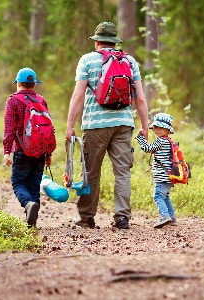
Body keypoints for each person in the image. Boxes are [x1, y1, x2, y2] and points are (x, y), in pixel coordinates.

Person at [66, 21, 149, 229]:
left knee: (91, 171)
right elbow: (140, 98)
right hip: (123, 123)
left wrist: (69, 126)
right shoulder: (129, 61)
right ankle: (122, 218)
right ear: (114, 42)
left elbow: (78, 96)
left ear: (97, 43)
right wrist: (145, 126)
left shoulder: (86, 60)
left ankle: (87, 218)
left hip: (95, 125)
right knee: (122, 171)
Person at [3, 67, 52, 227]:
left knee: (18, 181)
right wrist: (48, 152)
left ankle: (28, 204)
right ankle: (32, 223)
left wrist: (6, 152)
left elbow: (9, 128)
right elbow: (48, 128)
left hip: (21, 150)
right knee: (33, 184)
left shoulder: (13, 100)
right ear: (34, 85)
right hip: (40, 151)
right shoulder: (41, 100)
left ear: (18, 83)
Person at [135, 112, 178, 228]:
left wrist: (140, 138)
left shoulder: (160, 141)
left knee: (158, 196)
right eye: (156, 127)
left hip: (162, 176)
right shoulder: (169, 141)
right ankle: (172, 218)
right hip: (169, 176)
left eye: (161, 128)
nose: (158, 130)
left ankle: (165, 216)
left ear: (168, 130)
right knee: (165, 196)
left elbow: (147, 148)